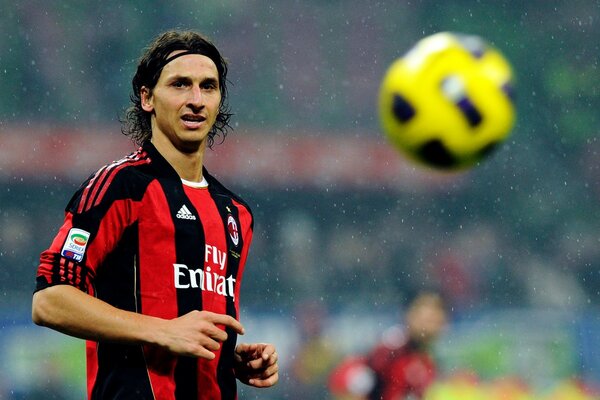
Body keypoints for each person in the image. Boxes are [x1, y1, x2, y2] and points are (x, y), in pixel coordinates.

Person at [32, 30, 278, 399]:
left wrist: (228, 359)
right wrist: (162, 330)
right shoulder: (121, 186)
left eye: (208, 87)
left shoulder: (236, 213)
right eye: (180, 84)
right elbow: (49, 300)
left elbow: (191, 325)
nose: (196, 100)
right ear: (147, 98)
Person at [329, 291, 447, 400]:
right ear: (409, 314)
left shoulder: (426, 360)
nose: (432, 317)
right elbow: (345, 381)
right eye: (426, 312)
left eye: (437, 311)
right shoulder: (393, 349)